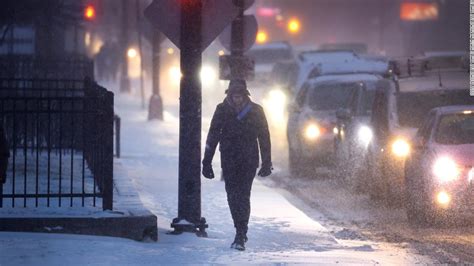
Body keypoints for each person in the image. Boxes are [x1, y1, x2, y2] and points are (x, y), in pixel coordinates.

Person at [202, 79, 273, 251]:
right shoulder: (221, 110)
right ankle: (239, 228)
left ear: (245, 95)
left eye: (240, 96)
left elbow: (264, 137)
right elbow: (213, 136)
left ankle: (241, 233)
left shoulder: (256, 111)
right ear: (229, 95)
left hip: (248, 160)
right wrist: (207, 162)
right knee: (232, 196)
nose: (237, 99)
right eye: (234, 96)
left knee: (243, 195)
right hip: (229, 159)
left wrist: (267, 162)